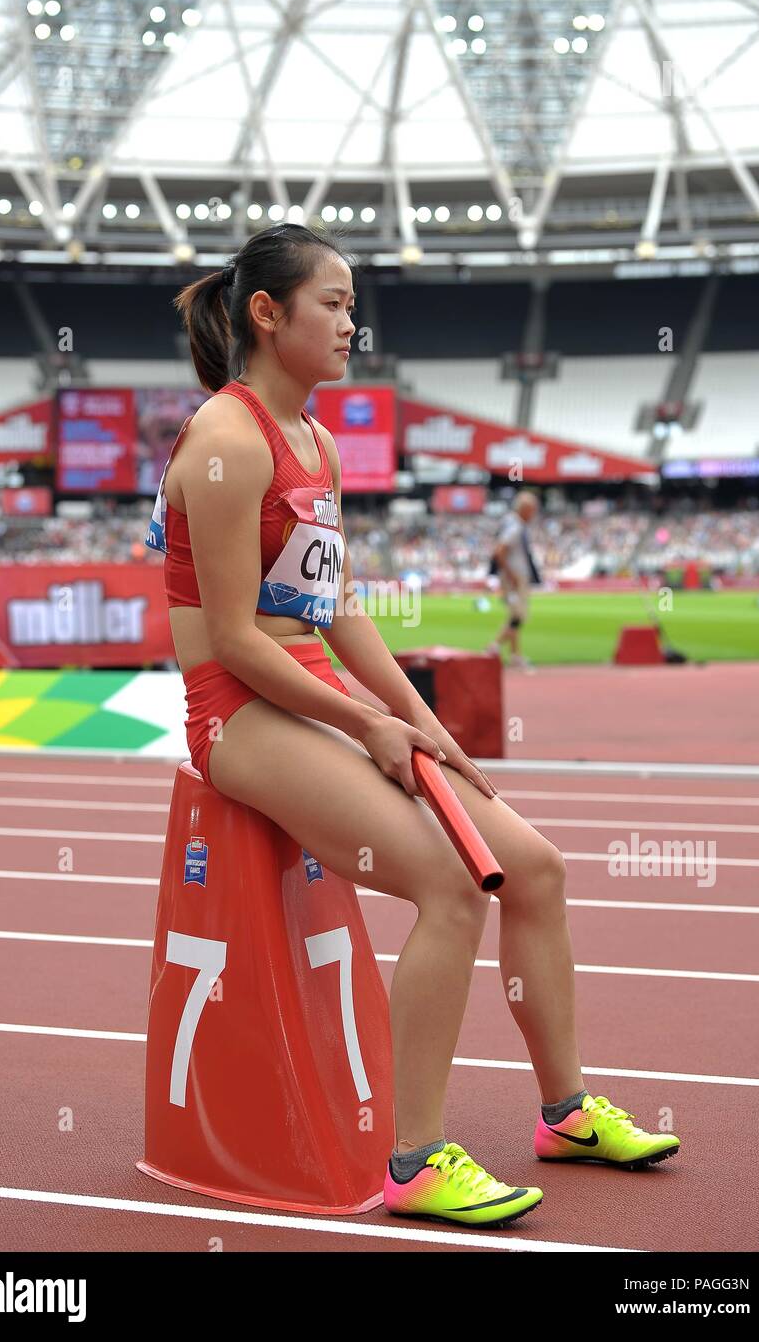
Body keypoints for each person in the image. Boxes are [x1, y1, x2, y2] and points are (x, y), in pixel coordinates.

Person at [147, 222, 679, 1229]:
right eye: (335, 303)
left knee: (536, 867)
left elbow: (334, 610)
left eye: (353, 304)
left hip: (315, 699)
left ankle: (564, 1111)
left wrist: (416, 717)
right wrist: (369, 725)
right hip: (239, 716)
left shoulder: (319, 441)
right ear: (268, 313)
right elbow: (232, 640)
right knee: (448, 883)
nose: (354, 322)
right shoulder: (224, 440)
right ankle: (414, 1159)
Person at [489, 490, 542, 669]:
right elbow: (500, 550)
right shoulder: (516, 526)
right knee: (518, 616)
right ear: (525, 509)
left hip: (513, 577)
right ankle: (493, 647)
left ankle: (515, 655)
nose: (534, 514)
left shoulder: (510, 521)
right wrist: (510, 575)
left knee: (514, 615)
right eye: (532, 509)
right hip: (515, 578)